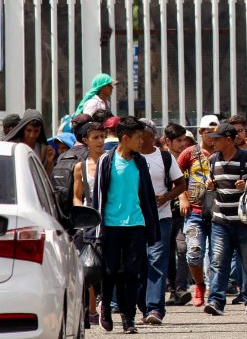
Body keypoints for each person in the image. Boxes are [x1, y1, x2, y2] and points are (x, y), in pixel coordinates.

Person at [94, 116, 161, 334]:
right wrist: (96, 229)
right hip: (111, 225)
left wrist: (152, 227)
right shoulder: (107, 160)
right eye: (138, 137)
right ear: (125, 138)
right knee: (111, 271)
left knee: (133, 273)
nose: (142, 141)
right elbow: (99, 197)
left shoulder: (140, 162)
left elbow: (148, 196)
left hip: (136, 225)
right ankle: (105, 308)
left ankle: (128, 317)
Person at [204, 122, 247, 316]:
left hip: (244, 221)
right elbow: (210, 184)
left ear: (229, 140)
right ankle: (215, 301)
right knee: (218, 261)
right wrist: (209, 185)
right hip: (220, 220)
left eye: (217, 139)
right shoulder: (212, 160)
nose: (213, 143)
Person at [137, 120, 186, 325]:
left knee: (156, 260)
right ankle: (141, 305)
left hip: (161, 218)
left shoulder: (164, 157)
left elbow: (181, 184)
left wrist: (166, 197)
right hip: (134, 220)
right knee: (138, 263)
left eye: (141, 134)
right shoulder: (129, 158)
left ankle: (155, 309)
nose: (138, 138)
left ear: (151, 135)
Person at [176, 114, 219, 307]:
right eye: (208, 132)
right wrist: (183, 197)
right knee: (193, 253)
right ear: (200, 132)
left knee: (217, 256)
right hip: (195, 211)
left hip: (219, 212)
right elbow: (175, 178)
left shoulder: (224, 152)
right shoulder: (189, 153)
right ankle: (200, 285)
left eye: (215, 133)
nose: (212, 137)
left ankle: (215, 292)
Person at [73, 121, 106, 325]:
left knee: (107, 266)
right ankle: (91, 309)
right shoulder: (81, 167)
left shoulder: (110, 162)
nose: (100, 141)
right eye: (95, 137)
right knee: (89, 266)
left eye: (102, 136)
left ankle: (105, 303)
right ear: (85, 141)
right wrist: (83, 214)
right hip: (89, 224)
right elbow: (76, 196)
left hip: (109, 221)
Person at [162, 124, 193, 308]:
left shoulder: (190, 159)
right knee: (166, 252)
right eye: (179, 141)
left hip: (185, 214)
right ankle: (174, 289)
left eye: (184, 140)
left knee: (183, 249)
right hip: (165, 212)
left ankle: (181, 288)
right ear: (168, 141)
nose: (183, 144)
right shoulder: (163, 159)